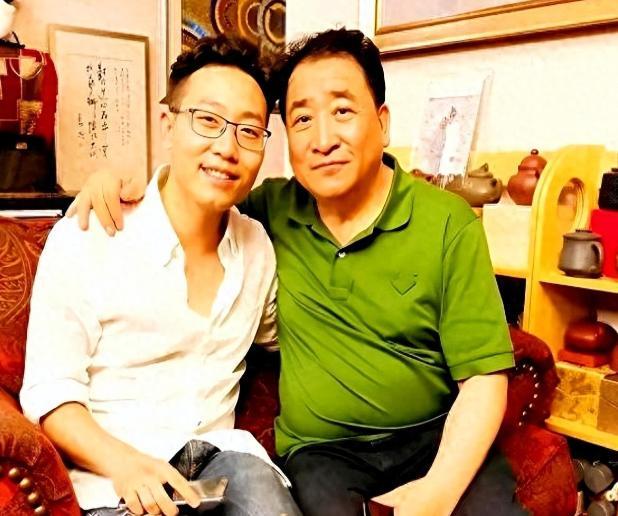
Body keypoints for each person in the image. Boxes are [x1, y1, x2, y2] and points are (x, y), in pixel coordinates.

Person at [71, 28, 526, 516]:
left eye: (343, 111)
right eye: (303, 118)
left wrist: (437, 492)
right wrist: (112, 181)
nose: (323, 139)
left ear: (382, 122)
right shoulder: (268, 213)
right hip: (322, 454)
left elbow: (484, 378)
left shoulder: (447, 222)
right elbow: (193, 195)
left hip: (432, 437)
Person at [20, 36, 301, 516]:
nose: (227, 147)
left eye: (249, 131)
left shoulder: (257, 247)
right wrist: (125, 464)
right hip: (115, 476)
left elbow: (293, 338)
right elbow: (50, 394)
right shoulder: (91, 234)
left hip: (223, 461)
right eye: (208, 120)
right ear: (168, 125)